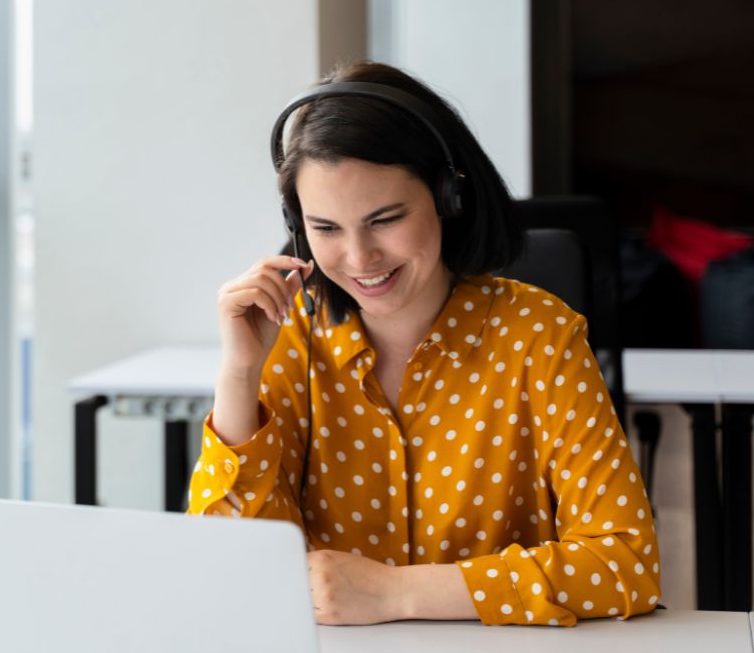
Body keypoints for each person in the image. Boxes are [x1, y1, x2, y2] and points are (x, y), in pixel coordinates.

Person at [187, 61, 660, 627]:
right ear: (297, 226)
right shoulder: (291, 338)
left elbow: (625, 564)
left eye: (385, 219)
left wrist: (394, 594)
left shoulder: (539, 334)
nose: (360, 259)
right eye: (327, 229)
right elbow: (232, 572)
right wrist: (239, 375)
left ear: (447, 197)